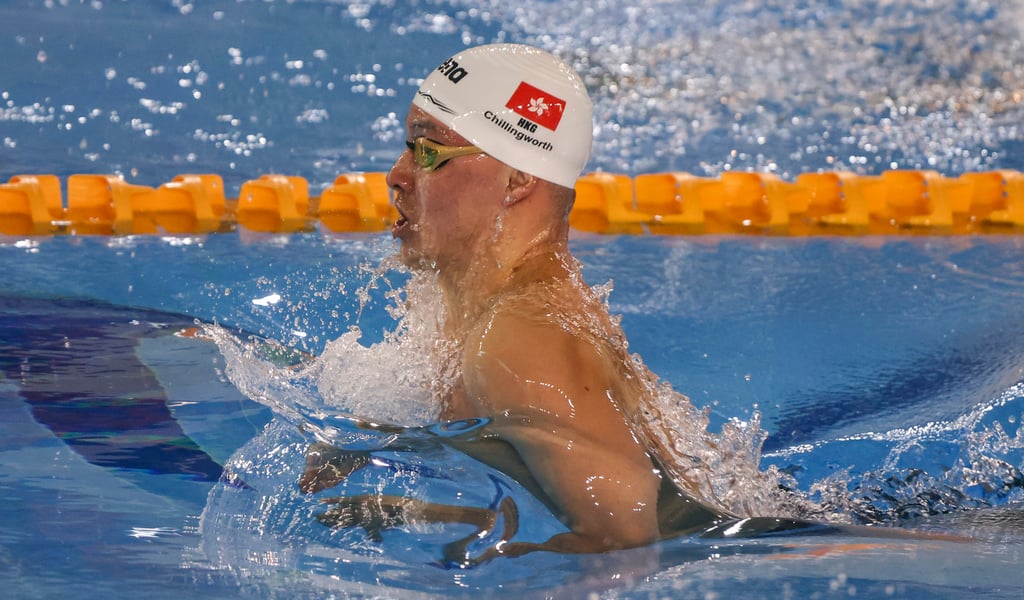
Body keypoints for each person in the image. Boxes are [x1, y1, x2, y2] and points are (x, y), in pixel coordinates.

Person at [300, 43, 814, 563]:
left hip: (764, 559)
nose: (397, 174)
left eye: (428, 151)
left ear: (518, 180)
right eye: (408, 147)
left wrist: (441, 543)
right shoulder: (476, 302)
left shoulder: (520, 339)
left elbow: (624, 550)